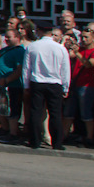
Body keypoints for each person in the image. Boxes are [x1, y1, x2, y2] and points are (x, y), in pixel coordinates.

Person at [21, 20, 72, 150]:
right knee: (55, 113)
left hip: (37, 82)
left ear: (39, 31)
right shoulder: (60, 48)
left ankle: (35, 141)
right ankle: (57, 143)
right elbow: (65, 70)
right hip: (55, 83)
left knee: (36, 112)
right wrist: (66, 87)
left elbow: (26, 68)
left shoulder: (33, 46)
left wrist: (26, 85)